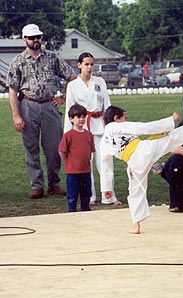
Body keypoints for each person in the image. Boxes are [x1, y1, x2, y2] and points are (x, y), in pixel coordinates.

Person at [100, 106, 183, 234]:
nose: (126, 120)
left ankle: (137, 224)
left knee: (135, 191)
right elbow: (145, 128)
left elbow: (105, 165)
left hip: (134, 163)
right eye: (124, 117)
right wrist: (170, 121)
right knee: (172, 138)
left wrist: (107, 188)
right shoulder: (117, 126)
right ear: (116, 118)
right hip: (144, 150)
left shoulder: (103, 141)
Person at [6, 23, 77, 199]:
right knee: (31, 148)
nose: (35, 40)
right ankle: (36, 186)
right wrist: (16, 115)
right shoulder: (17, 62)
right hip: (27, 106)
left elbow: (72, 77)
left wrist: (63, 97)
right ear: (24, 40)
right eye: (31, 38)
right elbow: (13, 90)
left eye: (38, 37)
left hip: (49, 106)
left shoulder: (52, 58)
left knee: (54, 148)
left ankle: (54, 184)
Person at [64, 52, 122, 206]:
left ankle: (109, 196)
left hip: (100, 126)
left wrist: (112, 127)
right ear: (79, 65)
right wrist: (69, 133)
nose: (89, 67)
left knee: (105, 161)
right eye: (86, 64)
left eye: (91, 64)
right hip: (82, 127)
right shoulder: (73, 86)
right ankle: (89, 196)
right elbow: (70, 110)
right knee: (86, 162)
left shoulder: (100, 82)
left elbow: (107, 105)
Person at [59, 104, 95, 212]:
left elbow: (91, 150)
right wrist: (68, 163)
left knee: (86, 194)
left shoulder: (89, 135)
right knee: (72, 196)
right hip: (72, 172)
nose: (81, 119)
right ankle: (72, 214)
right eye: (78, 117)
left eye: (83, 117)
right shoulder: (68, 135)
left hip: (86, 170)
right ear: (71, 119)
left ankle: (86, 212)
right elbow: (62, 151)